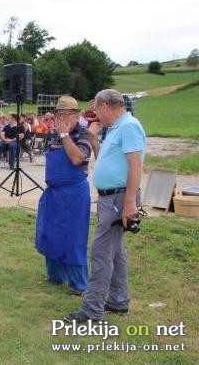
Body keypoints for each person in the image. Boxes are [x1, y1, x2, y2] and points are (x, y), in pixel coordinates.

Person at [66, 89, 146, 322]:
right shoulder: (116, 128)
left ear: (106, 106)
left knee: (101, 253)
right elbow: (106, 160)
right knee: (116, 252)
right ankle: (118, 301)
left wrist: (130, 202)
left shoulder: (129, 126)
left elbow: (135, 165)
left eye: (97, 110)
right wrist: (93, 138)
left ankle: (91, 310)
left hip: (119, 198)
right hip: (110, 198)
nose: (96, 116)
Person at [35, 96, 93, 296]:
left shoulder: (83, 134)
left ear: (76, 115)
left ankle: (78, 284)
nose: (62, 118)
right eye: (59, 115)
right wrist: (60, 134)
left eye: (67, 115)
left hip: (74, 193)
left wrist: (65, 135)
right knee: (51, 233)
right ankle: (55, 275)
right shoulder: (54, 135)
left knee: (73, 237)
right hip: (54, 192)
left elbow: (78, 158)